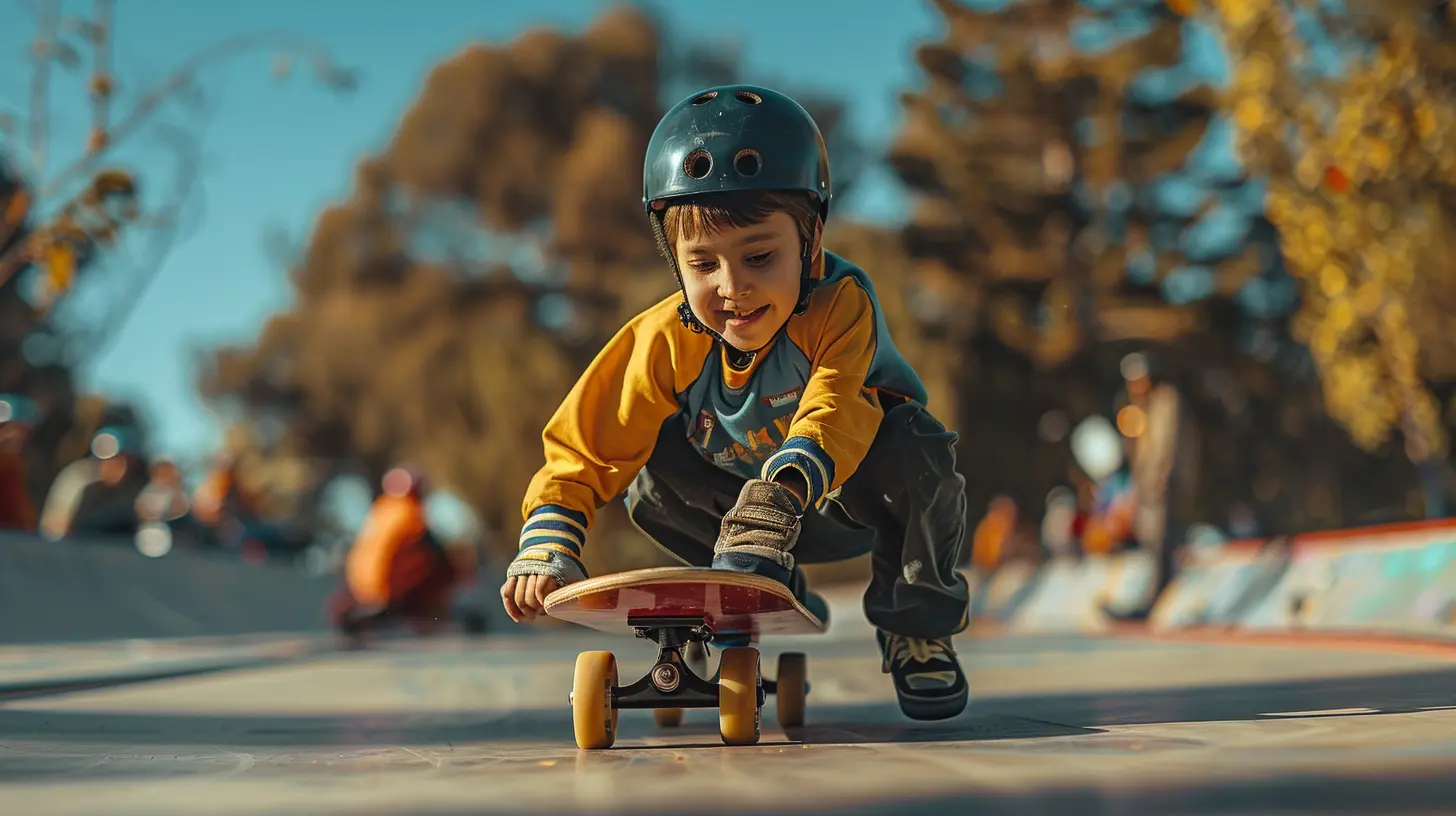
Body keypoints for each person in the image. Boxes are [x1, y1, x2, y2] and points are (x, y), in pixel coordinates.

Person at [499, 85, 971, 721]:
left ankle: (915, 626)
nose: (732, 287)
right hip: (726, 527)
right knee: (648, 477)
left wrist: (776, 501)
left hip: (841, 506)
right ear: (674, 261)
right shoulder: (665, 338)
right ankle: (730, 596)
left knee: (917, 447)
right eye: (703, 265)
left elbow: (836, 408)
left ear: (811, 240)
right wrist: (548, 536)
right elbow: (590, 438)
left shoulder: (839, 306)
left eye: (759, 256)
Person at [334, 466, 460, 636]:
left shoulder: (381, 510)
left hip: (361, 587)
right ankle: (432, 611)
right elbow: (435, 549)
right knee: (443, 564)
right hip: (391, 589)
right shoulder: (409, 511)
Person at [0, 395, 38, 531]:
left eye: (22, 430)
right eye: (5, 428)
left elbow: (23, 522)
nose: (14, 435)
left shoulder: (20, 467)